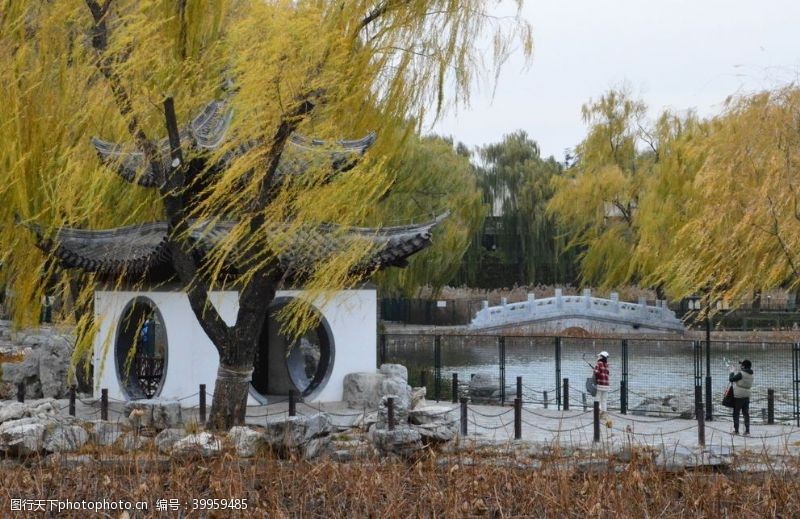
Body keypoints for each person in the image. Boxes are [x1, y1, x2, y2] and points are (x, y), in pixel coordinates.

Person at [729, 359, 754, 435]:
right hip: (747, 395)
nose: (741, 366)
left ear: (744, 366)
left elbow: (731, 379)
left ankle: (736, 431)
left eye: (742, 365)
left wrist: (732, 372)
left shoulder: (741, 373)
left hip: (739, 396)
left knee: (736, 413)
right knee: (746, 413)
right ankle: (747, 431)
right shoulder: (751, 374)